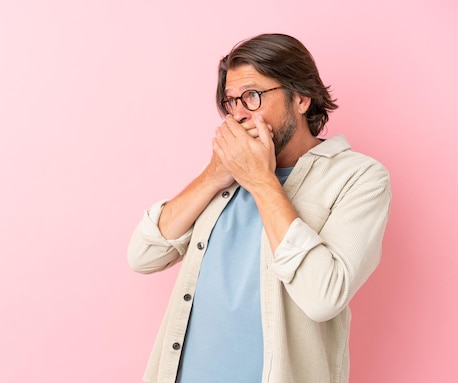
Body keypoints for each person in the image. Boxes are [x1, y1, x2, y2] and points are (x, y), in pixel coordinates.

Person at [127, 33, 391, 383]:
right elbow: (143, 256)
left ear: (301, 97)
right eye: (231, 101)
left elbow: (324, 297)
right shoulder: (226, 174)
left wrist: (261, 180)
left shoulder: (359, 178)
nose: (238, 115)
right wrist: (214, 174)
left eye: (252, 97)